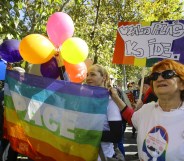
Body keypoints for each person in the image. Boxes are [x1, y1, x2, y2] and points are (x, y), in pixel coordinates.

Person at [110, 59, 184, 161]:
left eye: (167, 74)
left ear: (182, 84)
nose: (159, 78)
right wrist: (116, 98)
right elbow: (131, 117)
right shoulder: (146, 109)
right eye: (154, 76)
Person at [86, 64, 123, 161]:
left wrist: (88, 133)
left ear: (104, 77)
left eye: (93, 74)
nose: (88, 78)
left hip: (103, 156)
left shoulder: (110, 101)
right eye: (87, 75)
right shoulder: (85, 100)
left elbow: (116, 135)